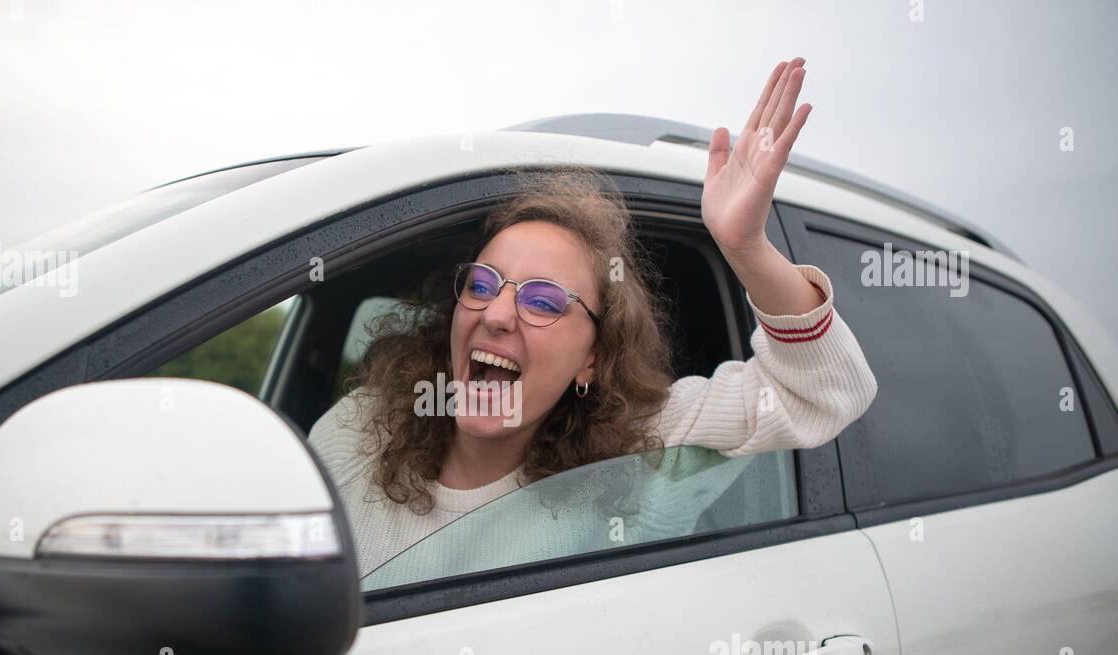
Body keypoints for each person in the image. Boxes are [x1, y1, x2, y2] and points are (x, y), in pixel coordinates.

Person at [309, 58, 877, 578]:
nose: (498, 314)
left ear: (592, 358)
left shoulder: (637, 449)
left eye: (544, 300)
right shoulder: (359, 431)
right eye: (482, 285)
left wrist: (747, 248)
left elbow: (827, 390)